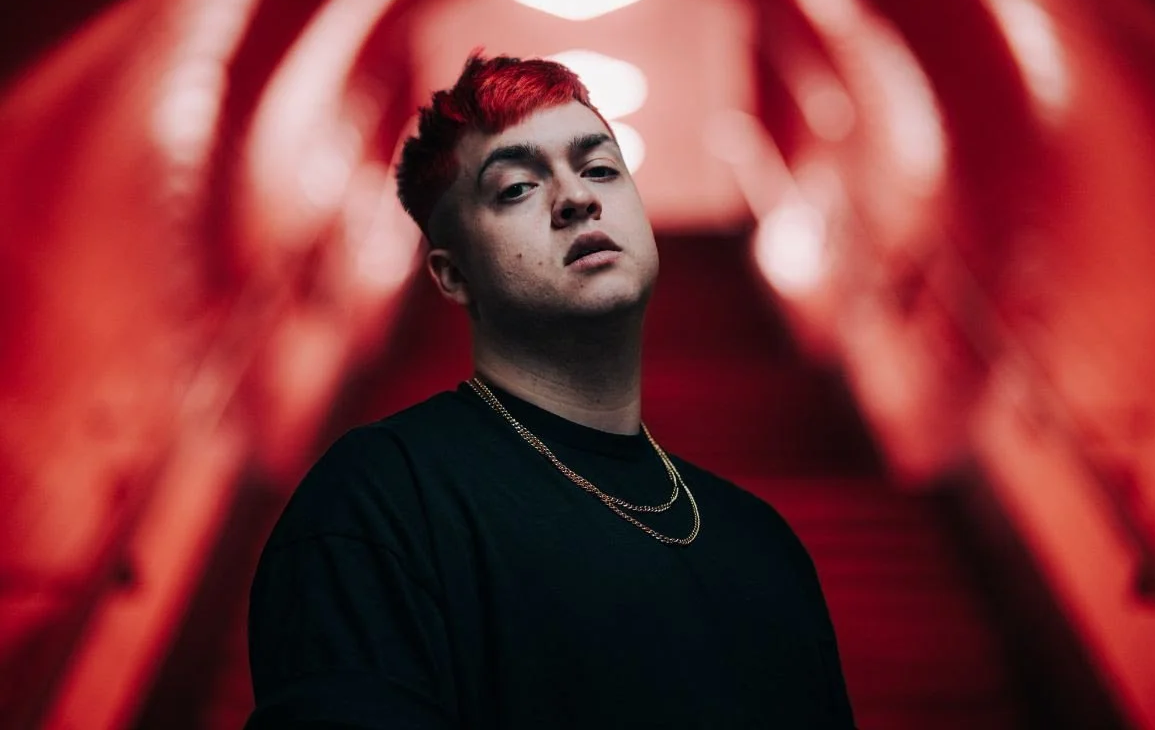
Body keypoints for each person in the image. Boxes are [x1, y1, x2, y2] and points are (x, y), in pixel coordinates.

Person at [245, 52, 856, 729]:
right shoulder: (379, 501)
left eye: (600, 169)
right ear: (452, 275)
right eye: (516, 188)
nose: (577, 198)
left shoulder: (761, 541)